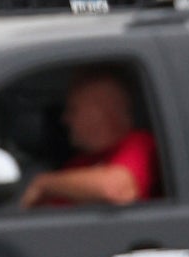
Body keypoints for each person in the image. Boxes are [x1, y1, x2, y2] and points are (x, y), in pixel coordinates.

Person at [20, 68, 158, 209]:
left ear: (100, 113)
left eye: (73, 109)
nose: (65, 119)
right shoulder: (78, 164)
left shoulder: (140, 144)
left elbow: (117, 189)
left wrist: (43, 184)